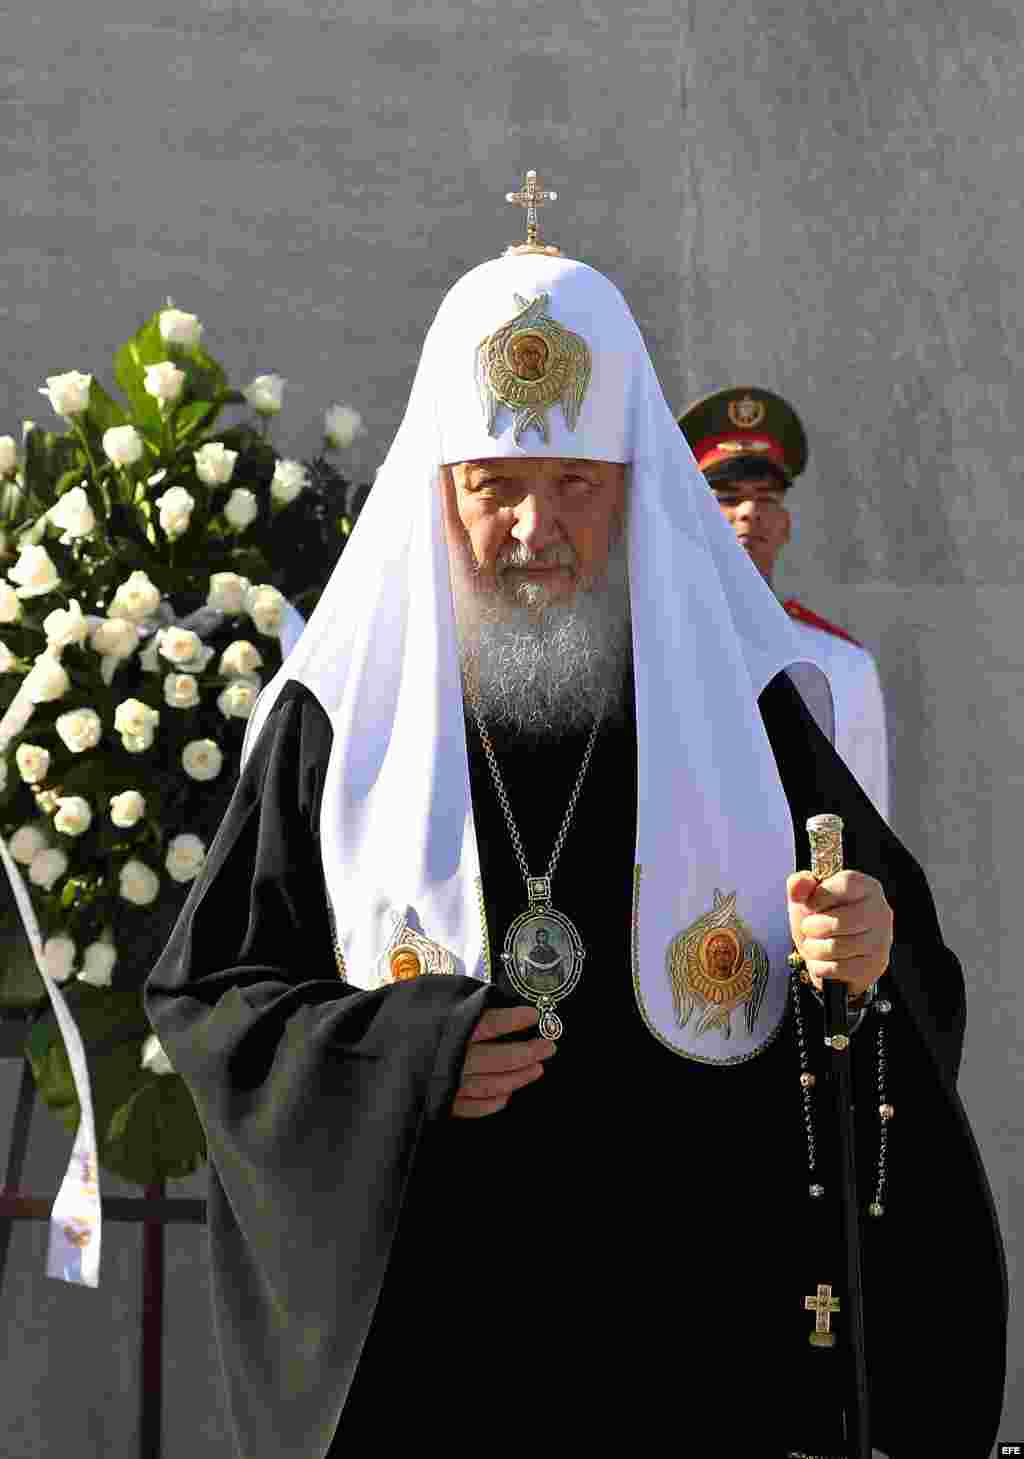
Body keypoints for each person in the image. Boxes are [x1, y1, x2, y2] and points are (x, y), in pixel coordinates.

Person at [143, 190, 1006, 1459]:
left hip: (686, 1343)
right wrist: (404, 1053)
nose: (534, 529)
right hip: (442, 1347)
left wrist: (862, 956)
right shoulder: (342, 720)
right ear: (439, 491)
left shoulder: (746, 708)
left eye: (573, 485)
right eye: (494, 486)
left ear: (633, 489)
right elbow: (211, 996)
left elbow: (899, 972)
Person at [678, 387, 891, 822]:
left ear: (785, 524)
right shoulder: (647, 652)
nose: (749, 510)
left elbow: (867, 827)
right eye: (726, 496)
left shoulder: (842, 666)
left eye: (767, 497)